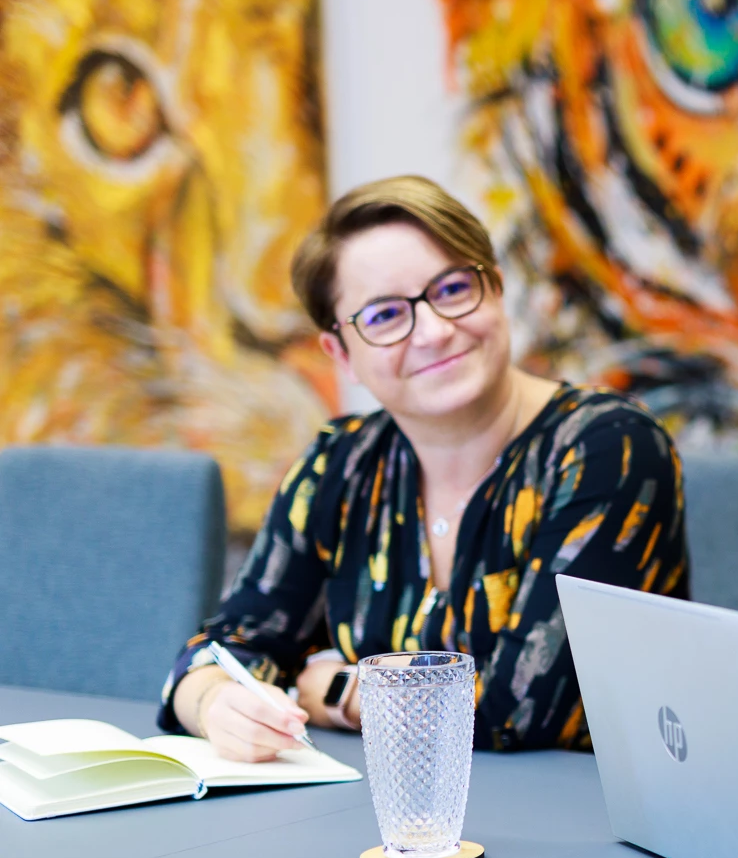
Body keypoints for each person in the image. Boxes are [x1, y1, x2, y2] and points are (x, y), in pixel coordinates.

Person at [160, 176, 689, 760]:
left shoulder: (606, 448)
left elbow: (525, 711)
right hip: (389, 821)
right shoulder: (341, 465)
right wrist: (212, 703)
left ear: (496, 289)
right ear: (342, 355)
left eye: (454, 287)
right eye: (385, 316)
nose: (435, 331)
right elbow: (227, 647)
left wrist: (340, 690)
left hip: (582, 822)